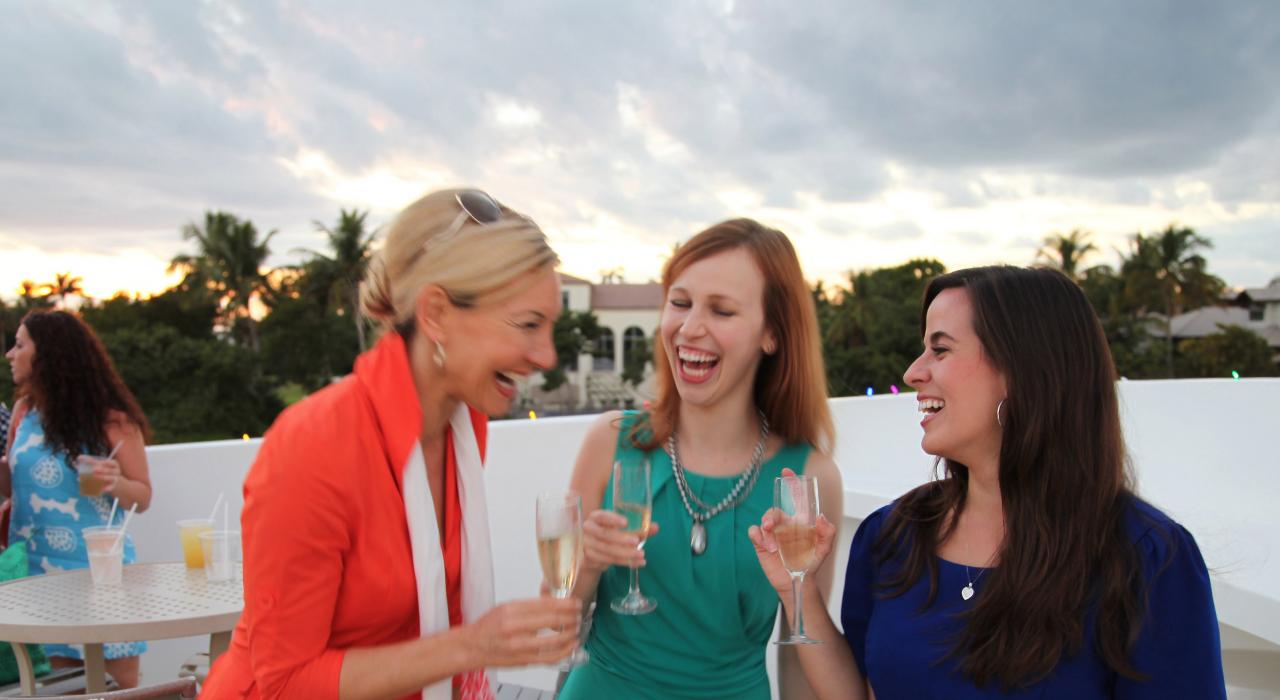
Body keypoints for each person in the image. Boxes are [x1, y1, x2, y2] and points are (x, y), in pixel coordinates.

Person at [751, 265, 1227, 699]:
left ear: (1020, 374)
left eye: (940, 348)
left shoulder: (1146, 557)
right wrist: (803, 591)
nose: (913, 372)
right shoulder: (891, 536)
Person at [201, 189, 581, 700]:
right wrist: (473, 647)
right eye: (528, 325)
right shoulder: (313, 448)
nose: (547, 355)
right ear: (437, 314)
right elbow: (283, 683)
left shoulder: (464, 424)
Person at [559, 219, 843, 699]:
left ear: (771, 333)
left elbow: (799, 650)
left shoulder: (809, 477)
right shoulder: (608, 441)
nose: (690, 329)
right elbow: (557, 628)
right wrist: (584, 565)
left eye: (722, 311)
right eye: (681, 302)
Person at [1, 310, 152, 688]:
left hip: (100, 573)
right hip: (35, 574)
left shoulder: (111, 420)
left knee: (118, 689)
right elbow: (13, 486)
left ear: (49, 354)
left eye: (19, 345)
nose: (9, 353)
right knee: (57, 689)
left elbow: (143, 496)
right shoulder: (23, 412)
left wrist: (116, 482)